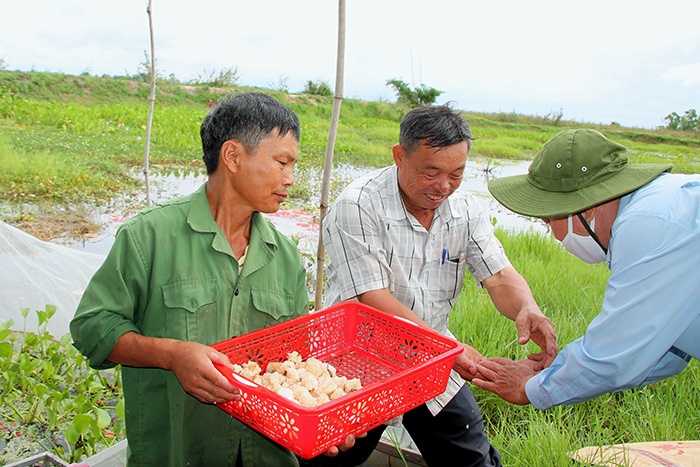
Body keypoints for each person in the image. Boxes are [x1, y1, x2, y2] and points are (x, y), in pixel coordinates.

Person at [70, 92, 357, 466]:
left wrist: (324, 412)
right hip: (178, 452)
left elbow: (294, 365)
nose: (290, 179)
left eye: (293, 165)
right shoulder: (150, 237)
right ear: (233, 156)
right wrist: (172, 355)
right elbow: (92, 327)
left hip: (264, 453)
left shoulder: (284, 257)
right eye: (282, 162)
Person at [306, 104, 558, 467]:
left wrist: (527, 309)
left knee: (471, 458)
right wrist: (448, 351)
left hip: (432, 363)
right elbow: (374, 299)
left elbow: (500, 276)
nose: (444, 186)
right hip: (357, 361)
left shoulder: (466, 211)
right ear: (399, 156)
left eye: (456, 173)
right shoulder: (358, 205)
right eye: (431, 172)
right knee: (335, 458)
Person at [474, 128, 700, 410]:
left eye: (548, 222)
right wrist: (555, 374)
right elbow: (662, 352)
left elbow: (615, 354)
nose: (553, 235)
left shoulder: (648, 226)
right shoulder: (661, 203)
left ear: (587, 209)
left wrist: (529, 387)